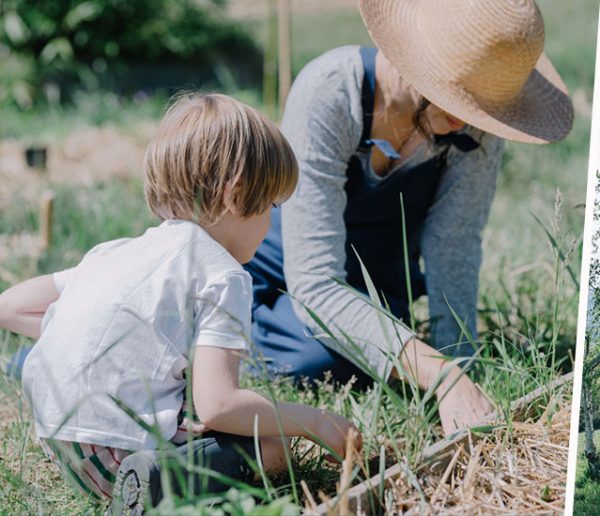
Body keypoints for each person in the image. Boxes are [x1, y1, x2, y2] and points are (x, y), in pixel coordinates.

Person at [0, 93, 362, 510]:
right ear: (236, 195)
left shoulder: (115, 252)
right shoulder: (224, 275)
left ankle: (146, 470)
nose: (270, 223)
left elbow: (11, 305)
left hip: (60, 440)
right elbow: (218, 404)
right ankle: (159, 480)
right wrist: (311, 420)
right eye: (272, 206)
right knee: (275, 447)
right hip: (119, 455)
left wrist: (95, 335)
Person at [245, 0, 573, 430]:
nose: (464, 122)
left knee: (361, 364)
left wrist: (459, 364)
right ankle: (234, 341)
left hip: (376, 277)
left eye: (478, 105)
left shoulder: (478, 124)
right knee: (314, 362)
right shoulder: (332, 92)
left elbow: (452, 245)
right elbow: (314, 280)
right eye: (456, 97)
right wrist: (439, 374)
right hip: (284, 263)